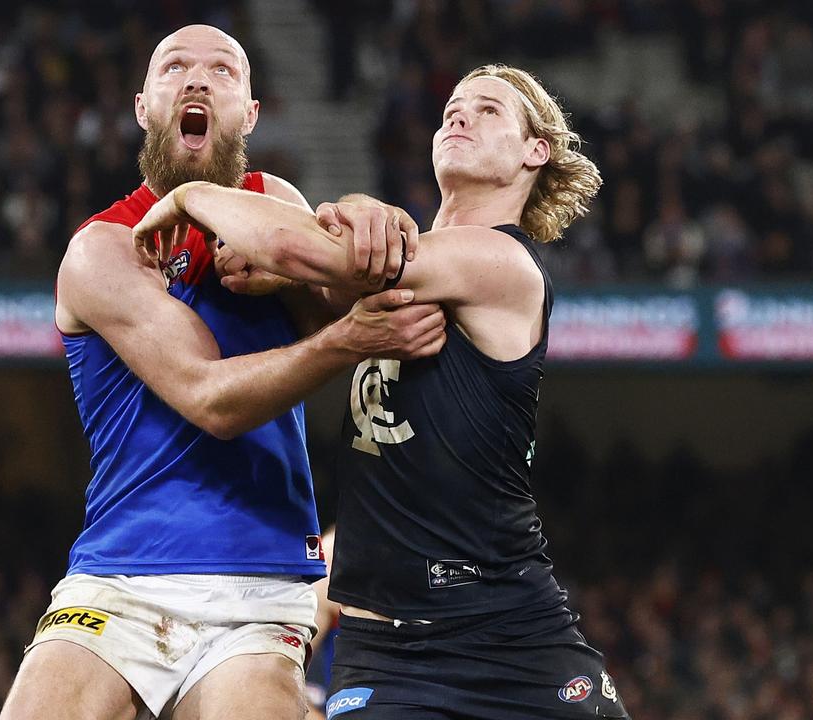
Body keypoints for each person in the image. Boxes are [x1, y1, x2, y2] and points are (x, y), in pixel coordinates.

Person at [133, 64, 631, 718]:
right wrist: (285, 271)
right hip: (382, 649)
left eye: (487, 110)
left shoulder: (503, 262)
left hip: (507, 630)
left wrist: (190, 195)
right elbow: (320, 267)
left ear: (534, 151)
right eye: (452, 106)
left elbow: (305, 246)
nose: (459, 115)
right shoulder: (412, 263)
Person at [0, 25, 445, 720]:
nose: (198, 80)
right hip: (119, 579)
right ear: (145, 105)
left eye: (222, 71)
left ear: (251, 113)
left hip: (260, 583)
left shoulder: (280, 207)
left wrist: (365, 217)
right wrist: (345, 342)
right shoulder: (104, 249)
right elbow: (211, 399)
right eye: (175, 67)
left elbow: (355, 289)